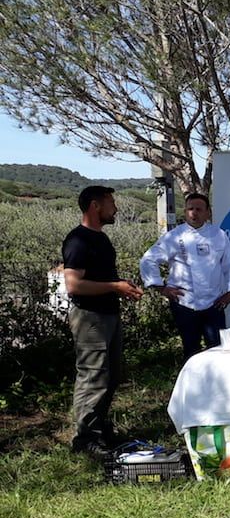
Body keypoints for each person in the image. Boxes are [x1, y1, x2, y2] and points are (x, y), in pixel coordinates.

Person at [62, 186, 144, 457]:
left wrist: (121, 287)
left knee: (110, 376)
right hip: (90, 319)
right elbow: (74, 285)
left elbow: (104, 280)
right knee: (93, 377)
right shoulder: (78, 240)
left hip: (108, 315)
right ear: (95, 206)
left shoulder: (101, 239)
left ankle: (100, 430)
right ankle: (85, 440)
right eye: (111, 203)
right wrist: (114, 287)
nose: (116, 208)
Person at [140, 193, 230, 359]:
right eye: (190, 209)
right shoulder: (174, 236)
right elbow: (148, 260)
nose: (194, 213)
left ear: (208, 212)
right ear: (185, 212)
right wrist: (161, 287)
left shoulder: (219, 235)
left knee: (218, 350)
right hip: (185, 304)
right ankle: (192, 383)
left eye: (199, 209)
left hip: (214, 303)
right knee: (191, 350)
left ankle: (216, 383)